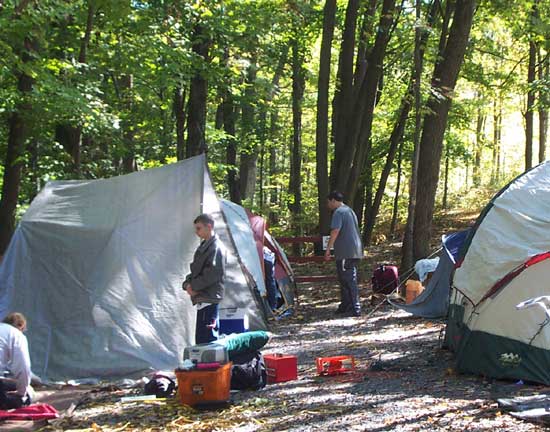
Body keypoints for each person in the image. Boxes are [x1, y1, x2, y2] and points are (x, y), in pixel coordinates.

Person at [183, 213, 226, 344]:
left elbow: (213, 273)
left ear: (209, 226)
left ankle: (213, 365)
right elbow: (196, 270)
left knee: (209, 340)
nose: (196, 232)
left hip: (209, 297)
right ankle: (205, 364)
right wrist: (187, 284)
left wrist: (194, 287)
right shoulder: (203, 246)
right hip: (202, 297)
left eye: (199, 228)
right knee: (201, 340)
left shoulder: (216, 247)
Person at [324, 191, 364, 316]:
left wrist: (328, 249)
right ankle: (346, 305)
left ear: (333, 200)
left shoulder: (339, 212)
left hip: (346, 251)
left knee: (348, 279)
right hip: (355, 249)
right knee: (345, 278)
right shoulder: (350, 211)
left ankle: (355, 307)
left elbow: (335, 230)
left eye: (328, 202)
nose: (328, 205)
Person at [0, 312, 32, 409]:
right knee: (26, 398)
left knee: (11, 384)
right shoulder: (17, 334)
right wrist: (22, 393)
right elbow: (23, 368)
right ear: (21, 326)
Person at [263, 246, 278, 311]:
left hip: (266, 258)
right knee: (270, 281)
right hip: (268, 257)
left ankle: (272, 305)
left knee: (269, 281)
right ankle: (273, 306)